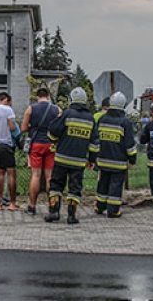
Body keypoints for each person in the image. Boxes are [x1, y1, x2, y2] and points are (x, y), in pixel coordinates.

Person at [44, 87, 96, 224]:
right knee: (75, 188)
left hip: (61, 158)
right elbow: (95, 143)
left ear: (71, 99)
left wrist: (55, 139)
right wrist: (91, 159)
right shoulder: (90, 118)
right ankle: (72, 216)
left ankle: (54, 212)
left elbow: (53, 132)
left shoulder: (67, 114)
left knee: (56, 185)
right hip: (79, 162)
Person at [91, 92, 138, 218]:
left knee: (103, 183)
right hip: (118, 161)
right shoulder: (124, 122)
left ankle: (99, 207)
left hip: (102, 159)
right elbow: (129, 144)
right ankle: (113, 210)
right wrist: (132, 159)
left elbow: (96, 139)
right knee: (115, 186)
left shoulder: (102, 119)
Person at [20, 88, 60, 216]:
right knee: (49, 177)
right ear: (48, 96)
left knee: (36, 175)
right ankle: (52, 206)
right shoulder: (57, 110)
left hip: (36, 144)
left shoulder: (31, 109)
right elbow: (60, 128)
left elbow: (23, 128)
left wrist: (33, 126)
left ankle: (32, 206)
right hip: (51, 145)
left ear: (37, 97)